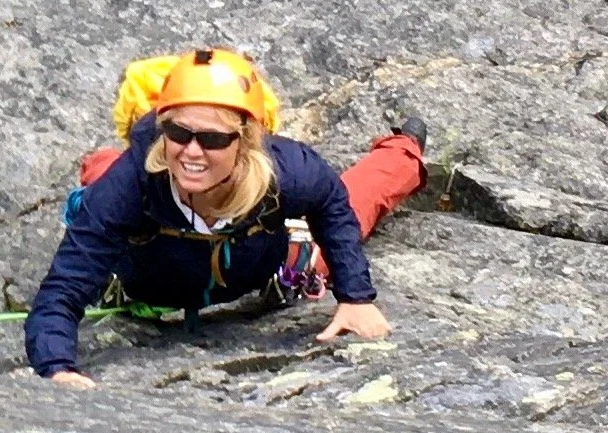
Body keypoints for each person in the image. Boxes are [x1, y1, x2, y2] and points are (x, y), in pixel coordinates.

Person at [26, 48, 426, 389]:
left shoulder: (285, 171)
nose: (192, 151)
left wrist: (355, 297)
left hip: (268, 273)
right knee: (106, 183)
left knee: (360, 201)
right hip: (143, 285)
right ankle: (99, 166)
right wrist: (57, 367)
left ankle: (403, 150)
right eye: (178, 133)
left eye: (213, 139)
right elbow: (63, 290)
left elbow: (332, 201)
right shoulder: (132, 182)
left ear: (246, 141)